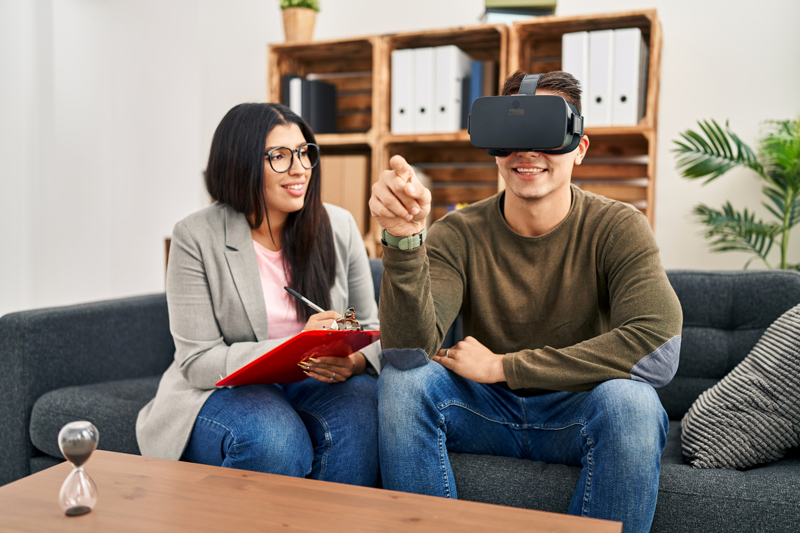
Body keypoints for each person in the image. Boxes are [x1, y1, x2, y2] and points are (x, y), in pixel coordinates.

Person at [369, 71, 683, 531]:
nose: (527, 151)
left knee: (632, 404)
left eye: (546, 132)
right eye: (513, 132)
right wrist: (404, 241)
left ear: (579, 147)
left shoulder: (618, 226)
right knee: (402, 385)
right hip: (484, 412)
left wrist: (506, 366)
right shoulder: (459, 231)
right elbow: (406, 352)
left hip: (576, 413)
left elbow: (658, 349)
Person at [137, 103, 382, 487]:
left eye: (304, 153)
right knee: (275, 439)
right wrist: (296, 344)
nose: (300, 168)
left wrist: (352, 362)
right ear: (240, 163)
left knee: (365, 412)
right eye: (280, 157)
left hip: (313, 383)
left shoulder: (339, 226)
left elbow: (371, 328)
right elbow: (198, 361)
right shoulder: (195, 236)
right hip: (226, 388)